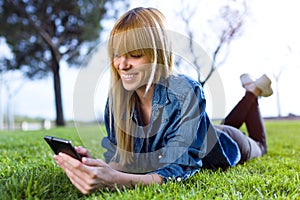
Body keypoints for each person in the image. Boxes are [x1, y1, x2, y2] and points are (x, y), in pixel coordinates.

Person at [54, 7, 273, 194]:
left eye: (135, 55)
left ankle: (252, 92)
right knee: (216, 127)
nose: (122, 64)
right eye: (117, 54)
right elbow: (125, 160)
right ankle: (251, 89)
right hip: (201, 132)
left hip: (226, 143)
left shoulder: (185, 92)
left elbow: (177, 170)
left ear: (157, 55)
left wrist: (114, 180)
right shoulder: (117, 99)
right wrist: (96, 167)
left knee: (260, 146)